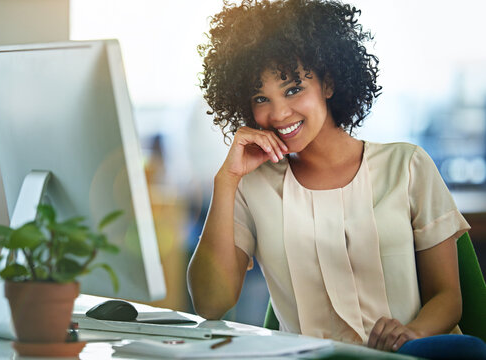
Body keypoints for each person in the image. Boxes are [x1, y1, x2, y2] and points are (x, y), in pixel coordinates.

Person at [187, 0, 485, 357]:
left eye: (293, 88)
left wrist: (411, 332)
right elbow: (210, 303)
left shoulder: (406, 166)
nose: (279, 112)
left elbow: (448, 297)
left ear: (328, 83)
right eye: (260, 97)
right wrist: (226, 180)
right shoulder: (251, 186)